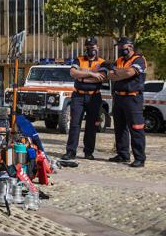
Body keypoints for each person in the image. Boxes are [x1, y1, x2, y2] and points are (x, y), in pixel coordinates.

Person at [62, 37, 108, 161]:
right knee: (74, 124)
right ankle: (71, 152)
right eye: (88, 48)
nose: (90, 50)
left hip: (94, 96)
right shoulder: (79, 59)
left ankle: (88, 152)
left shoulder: (102, 62)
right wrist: (92, 74)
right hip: (78, 96)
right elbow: (73, 73)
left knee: (91, 125)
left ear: (97, 48)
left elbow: (101, 78)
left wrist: (81, 76)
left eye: (92, 47)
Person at [108, 37, 147, 168]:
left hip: (133, 98)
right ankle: (123, 154)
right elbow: (110, 75)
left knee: (136, 128)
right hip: (118, 98)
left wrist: (118, 73)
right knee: (120, 128)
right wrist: (121, 73)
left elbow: (130, 72)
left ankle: (140, 158)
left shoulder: (139, 59)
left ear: (130, 46)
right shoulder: (119, 60)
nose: (119, 49)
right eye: (118, 46)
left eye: (121, 46)